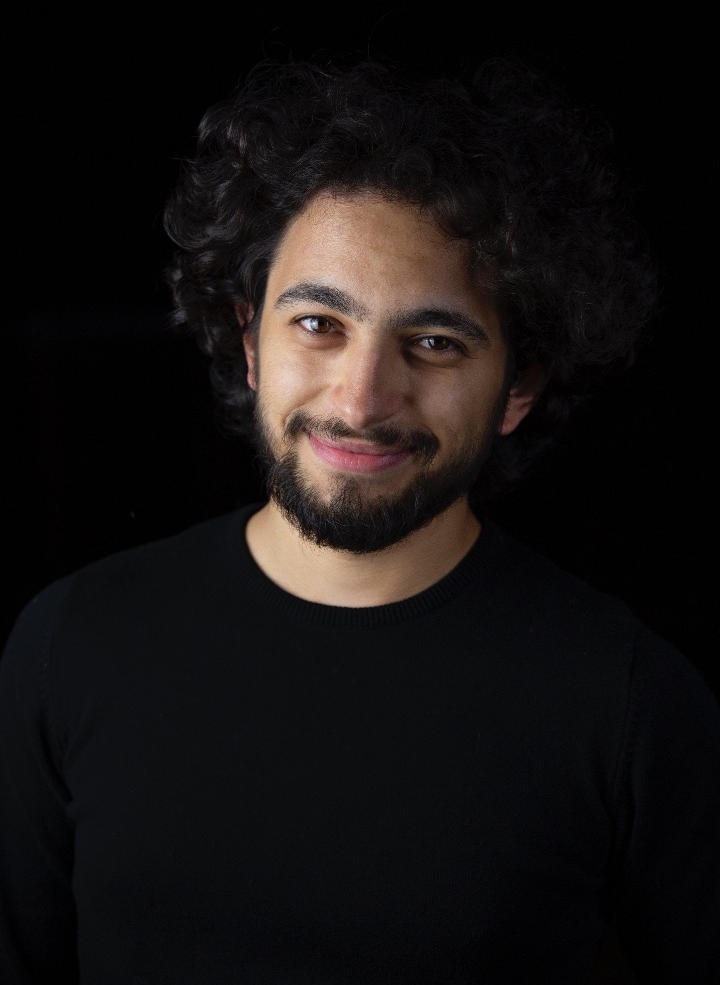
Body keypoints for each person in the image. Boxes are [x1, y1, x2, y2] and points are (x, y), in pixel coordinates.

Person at [1, 56, 718, 985]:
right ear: (251, 342)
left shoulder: (630, 704)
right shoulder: (70, 643)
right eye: (318, 324)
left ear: (518, 388)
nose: (362, 399)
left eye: (434, 342)